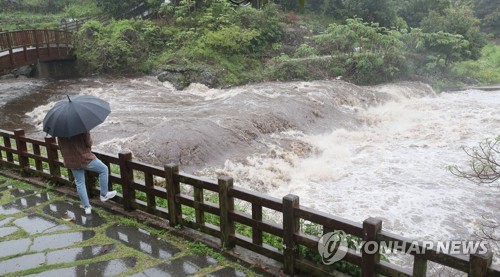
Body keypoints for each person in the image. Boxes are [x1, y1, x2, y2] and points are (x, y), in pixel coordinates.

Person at [57, 132, 116, 215]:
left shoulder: (60, 131)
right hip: (84, 158)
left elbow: (60, 146)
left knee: (79, 183)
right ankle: (104, 194)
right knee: (104, 169)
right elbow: (89, 143)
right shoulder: (82, 127)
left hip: (71, 160)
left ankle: (87, 207)